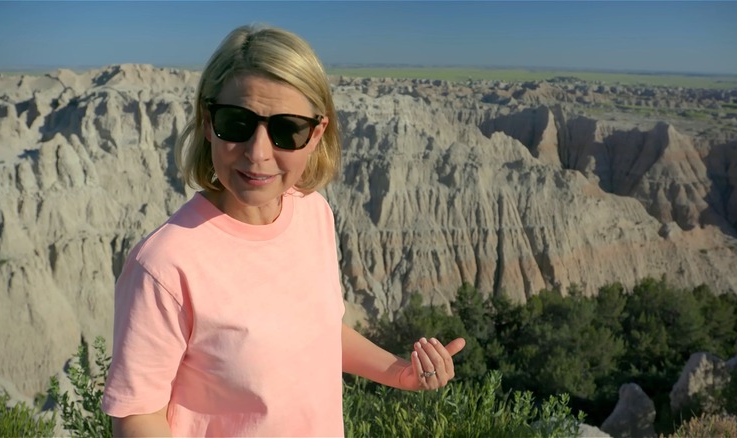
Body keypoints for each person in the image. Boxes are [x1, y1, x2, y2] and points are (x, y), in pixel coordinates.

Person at [101, 24, 466, 437]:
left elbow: (316, 332)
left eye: (286, 130)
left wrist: (401, 374)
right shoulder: (165, 266)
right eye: (235, 123)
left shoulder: (313, 214)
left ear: (316, 134)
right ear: (207, 123)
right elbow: (137, 415)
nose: (258, 153)